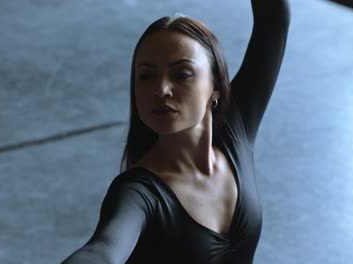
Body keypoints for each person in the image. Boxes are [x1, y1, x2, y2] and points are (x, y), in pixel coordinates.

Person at [62, 0, 290, 263]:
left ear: (215, 86)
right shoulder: (139, 192)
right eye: (147, 76)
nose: (161, 90)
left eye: (181, 74)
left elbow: (273, 22)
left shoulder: (235, 128)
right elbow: (102, 250)